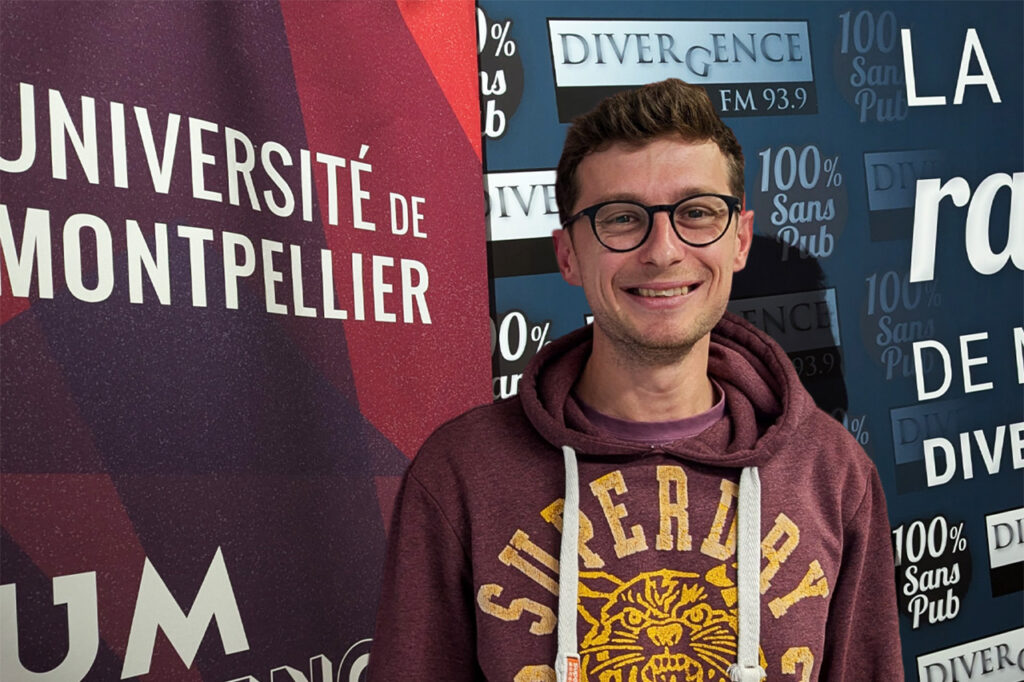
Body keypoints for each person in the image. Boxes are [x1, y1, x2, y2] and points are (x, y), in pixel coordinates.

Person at [368, 79, 903, 682]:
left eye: (696, 213)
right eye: (622, 219)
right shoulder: (460, 473)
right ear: (568, 255)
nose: (662, 251)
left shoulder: (833, 473)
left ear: (740, 241)